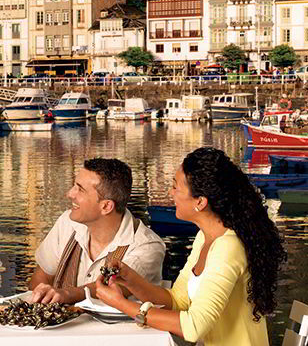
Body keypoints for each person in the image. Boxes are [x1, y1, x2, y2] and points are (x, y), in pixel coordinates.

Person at [95, 147, 286, 346]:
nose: (171, 193)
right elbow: (178, 301)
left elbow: (194, 327)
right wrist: (130, 278)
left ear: (200, 202)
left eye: (176, 187)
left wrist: (121, 304)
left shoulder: (228, 247)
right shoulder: (205, 237)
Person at [28, 158, 165, 304]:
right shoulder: (67, 222)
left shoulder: (147, 246)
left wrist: (66, 294)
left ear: (106, 206)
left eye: (80, 189)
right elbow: (40, 278)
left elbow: (117, 286)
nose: (70, 194)